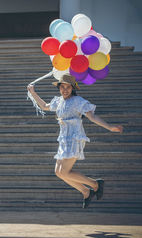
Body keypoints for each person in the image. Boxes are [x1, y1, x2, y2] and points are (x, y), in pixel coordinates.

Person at [27, 74, 123, 208]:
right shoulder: (59, 101)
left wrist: (109, 127)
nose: (65, 90)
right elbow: (44, 106)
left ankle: (95, 184)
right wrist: (33, 92)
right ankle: (85, 191)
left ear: (72, 88)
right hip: (64, 139)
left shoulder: (78, 101)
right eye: (62, 87)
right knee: (58, 172)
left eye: (68, 87)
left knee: (65, 172)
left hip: (74, 138)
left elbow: (92, 116)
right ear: (59, 88)